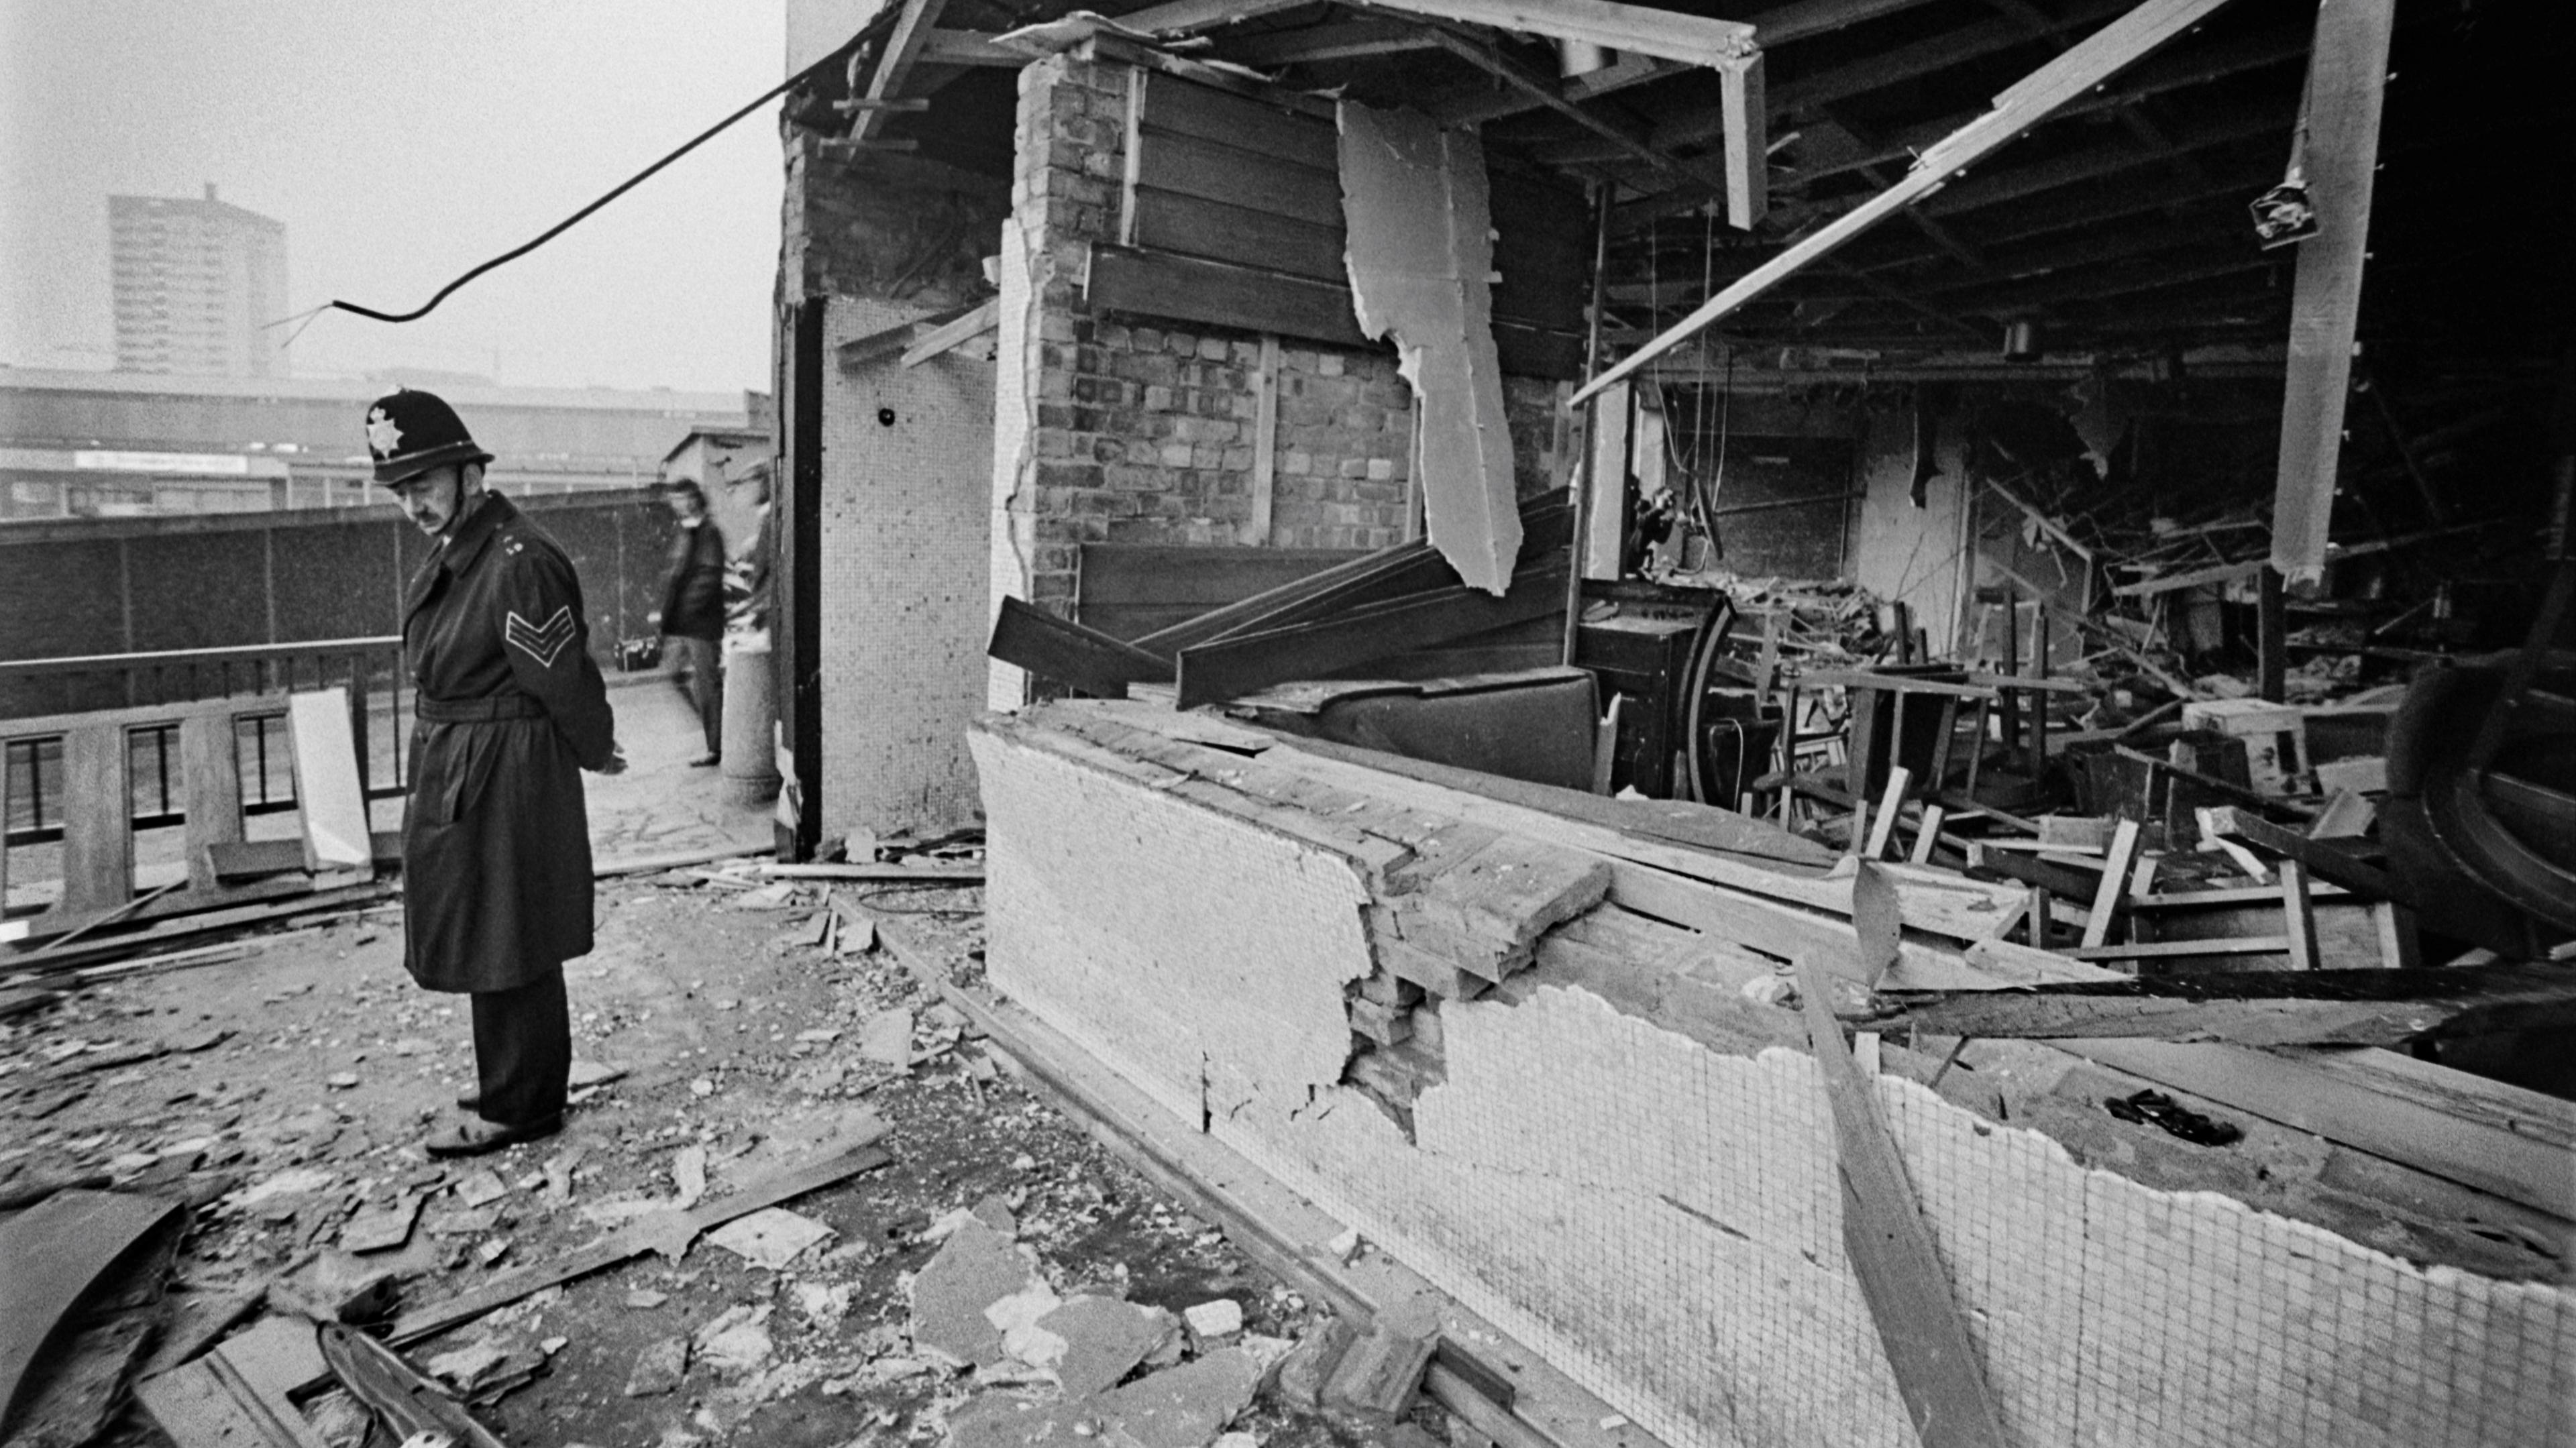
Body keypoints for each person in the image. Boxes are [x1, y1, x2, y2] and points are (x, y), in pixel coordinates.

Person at [368, 388, 625, 1158]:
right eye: (401, 489)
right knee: (490, 928)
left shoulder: (517, 560)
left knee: (512, 931)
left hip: (505, 770)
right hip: (468, 763)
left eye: (424, 482)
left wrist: (595, 743)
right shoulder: (464, 548)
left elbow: (559, 673)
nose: (413, 502)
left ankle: (525, 1102)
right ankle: (513, 1076)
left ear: (468, 470)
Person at [656, 478, 727, 766]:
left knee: (707, 683)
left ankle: (717, 745)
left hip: (699, 622)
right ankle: (715, 727)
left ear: (693, 498)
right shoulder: (689, 531)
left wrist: (686, 611)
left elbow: (709, 575)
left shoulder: (709, 532)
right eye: (673, 499)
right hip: (684, 623)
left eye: (680, 498)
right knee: (674, 673)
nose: (675, 504)